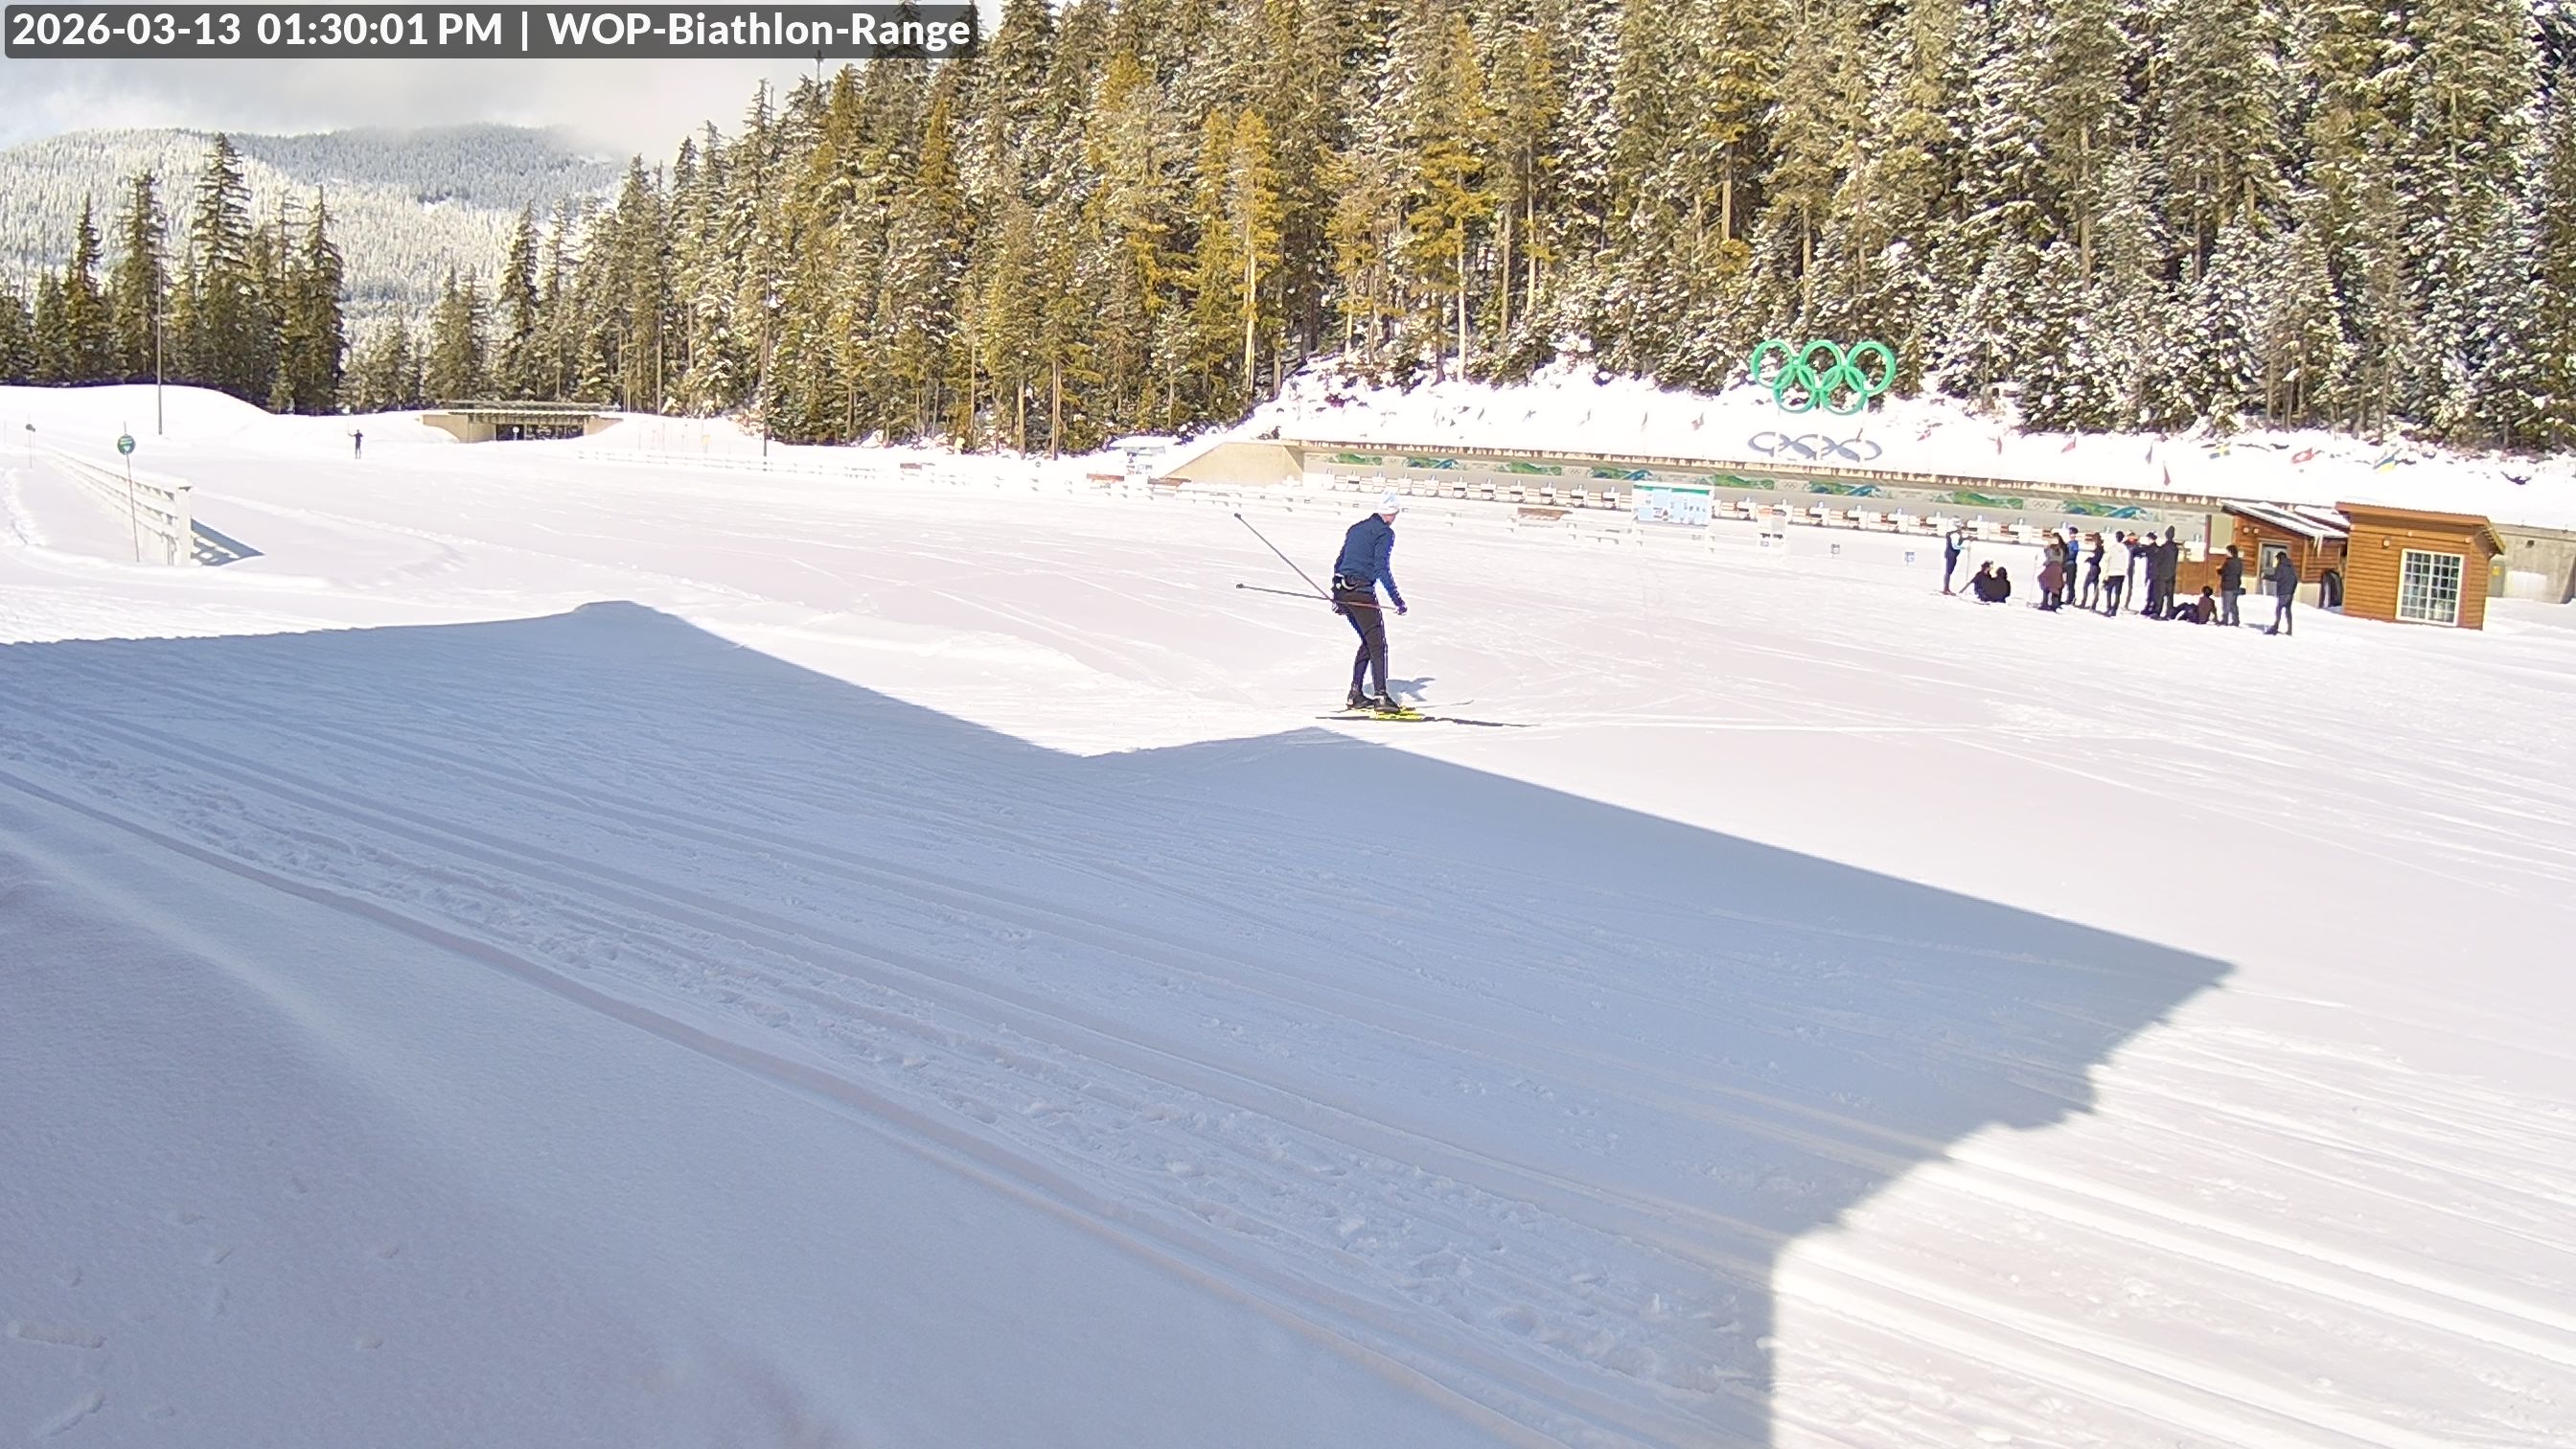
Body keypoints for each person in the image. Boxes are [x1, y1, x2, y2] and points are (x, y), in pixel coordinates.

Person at [1331, 492, 1410, 711]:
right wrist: (1397, 600)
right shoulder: (1385, 533)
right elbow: (1381, 567)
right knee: (1378, 645)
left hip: (1343, 590)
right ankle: (1381, 697)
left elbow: (1339, 562)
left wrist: (1336, 596)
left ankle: (1355, 694)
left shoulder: (1356, 528)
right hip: (1361, 592)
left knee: (1368, 641)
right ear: (1392, 512)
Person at [2266, 551, 2299, 635]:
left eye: (2277, 558)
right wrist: (2292, 590)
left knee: (2279, 609)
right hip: (2290, 592)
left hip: (2283, 592)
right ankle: (2289, 629)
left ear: (2280, 558)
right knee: (2288, 610)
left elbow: (2276, 577)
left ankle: (2275, 627)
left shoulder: (2281, 566)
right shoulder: (2291, 567)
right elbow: (2295, 579)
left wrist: (2266, 576)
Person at [2101, 532, 2130, 614]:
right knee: (2118, 593)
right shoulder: (2125, 550)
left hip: (2112, 572)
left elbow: (2106, 559)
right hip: (2121, 573)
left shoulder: (2112, 548)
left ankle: (2109, 607)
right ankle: (2114, 609)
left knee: (2109, 591)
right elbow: (2127, 562)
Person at [2219, 545, 2244, 626]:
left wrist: (2219, 570)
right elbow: (2239, 573)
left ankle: (2225, 619)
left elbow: (2224, 572)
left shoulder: (2228, 562)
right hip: (2236, 585)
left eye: (2227, 551)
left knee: (2226, 603)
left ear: (2230, 552)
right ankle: (2236, 620)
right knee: (2233, 604)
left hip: (2227, 585)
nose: (2226, 553)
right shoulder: (2239, 562)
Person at [1943, 523, 1967, 594]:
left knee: (1949, 572)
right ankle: (1945, 588)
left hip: (1953, 554)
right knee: (1948, 571)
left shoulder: (1957, 534)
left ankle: (1947, 587)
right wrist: (1965, 548)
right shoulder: (1955, 535)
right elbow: (1955, 546)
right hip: (1951, 554)